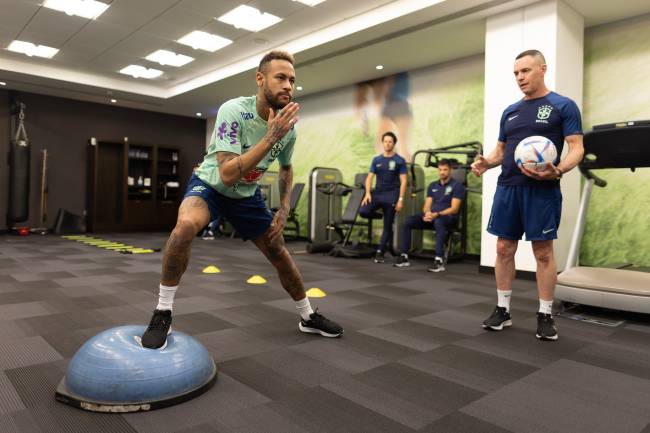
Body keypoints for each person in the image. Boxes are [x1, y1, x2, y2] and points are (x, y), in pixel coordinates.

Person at [141, 50, 343, 349]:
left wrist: (285, 206)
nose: (288, 85)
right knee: (184, 227)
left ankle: (308, 315)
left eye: (292, 80)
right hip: (210, 187)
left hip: (246, 196)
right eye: (280, 78)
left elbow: (286, 168)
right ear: (260, 79)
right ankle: (163, 311)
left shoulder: (288, 130)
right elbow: (226, 174)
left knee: (279, 251)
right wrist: (270, 137)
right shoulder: (234, 111)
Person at [470, 49, 584, 341]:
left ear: (542, 69)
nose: (520, 77)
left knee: (542, 253)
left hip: (541, 191)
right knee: (503, 250)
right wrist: (487, 162)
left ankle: (545, 314)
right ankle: (502, 310)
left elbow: (576, 147)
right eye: (516, 73)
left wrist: (558, 169)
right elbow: (501, 151)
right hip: (508, 188)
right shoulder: (510, 111)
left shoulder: (562, 106)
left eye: (526, 71)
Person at [394, 159, 465, 272]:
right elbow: (427, 205)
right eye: (440, 169)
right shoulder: (433, 185)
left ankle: (438, 261)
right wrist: (427, 213)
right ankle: (404, 257)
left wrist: (436, 214)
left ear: (450, 170)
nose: (442, 172)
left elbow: (454, 209)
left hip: (448, 218)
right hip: (432, 216)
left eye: (445, 170)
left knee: (439, 222)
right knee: (408, 221)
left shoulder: (457, 186)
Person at [359, 131, 407, 263]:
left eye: (390, 141)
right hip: (378, 194)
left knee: (387, 226)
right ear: (382, 143)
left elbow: (404, 181)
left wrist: (400, 199)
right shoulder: (377, 160)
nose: (387, 143)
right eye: (385, 141)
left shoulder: (399, 161)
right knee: (363, 211)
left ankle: (380, 252)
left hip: (392, 196)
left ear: (394, 143)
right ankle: (382, 215)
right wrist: (368, 193)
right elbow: (369, 178)